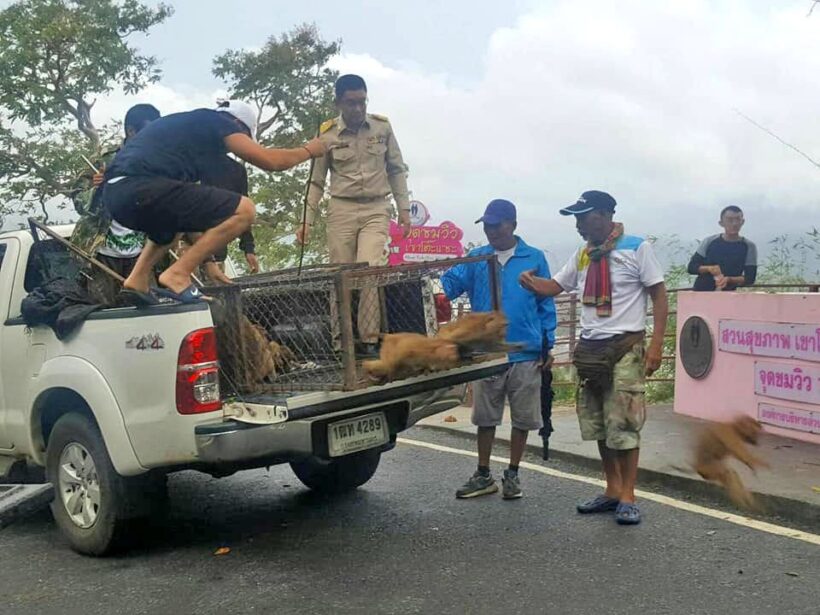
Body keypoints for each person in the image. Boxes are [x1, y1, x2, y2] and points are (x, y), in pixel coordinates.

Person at [520, 190, 668, 525]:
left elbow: (659, 295)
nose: (578, 224)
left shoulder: (637, 248)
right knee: (599, 422)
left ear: (604, 215)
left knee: (625, 423)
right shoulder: (584, 255)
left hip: (625, 347)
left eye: (583, 217)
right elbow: (555, 286)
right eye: (576, 218)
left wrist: (656, 344)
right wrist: (531, 283)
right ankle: (612, 489)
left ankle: (629, 495)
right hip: (591, 349)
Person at [102, 100, 331, 304]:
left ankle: (137, 279)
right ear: (237, 124)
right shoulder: (216, 121)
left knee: (173, 222)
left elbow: (193, 211)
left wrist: (209, 260)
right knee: (244, 210)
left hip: (116, 196)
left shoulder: (187, 138)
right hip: (139, 187)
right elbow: (271, 161)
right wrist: (309, 150)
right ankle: (178, 273)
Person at [441, 199, 557, 500]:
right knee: (485, 417)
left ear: (513, 225)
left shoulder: (534, 258)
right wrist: (442, 280)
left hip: (525, 349)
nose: (492, 230)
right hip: (487, 351)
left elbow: (546, 304)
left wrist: (548, 344)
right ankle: (483, 473)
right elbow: (452, 284)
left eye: (497, 224)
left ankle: (513, 473)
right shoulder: (478, 258)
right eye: (487, 225)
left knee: (523, 418)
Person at [300, 74, 412, 355]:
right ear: (338, 102)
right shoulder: (326, 134)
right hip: (341, 208)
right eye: (351, 103)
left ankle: (370, 340)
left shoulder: (382, 127)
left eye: (362, 102)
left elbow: (397, 169)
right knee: (341, 275)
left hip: (376, 206)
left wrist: (404, 210)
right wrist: (306, 221)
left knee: (370, 269)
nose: (358, 108)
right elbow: (315, 181)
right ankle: (342, 344)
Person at [71, 104, 160, 305]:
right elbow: (78, 201)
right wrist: (97, 189)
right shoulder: (104, 159)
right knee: (103, 315)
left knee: (149, 313)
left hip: (140, 255)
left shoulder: (158, 163)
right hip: (101, 255)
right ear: (131, 131)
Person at [687, 205, 757, 291]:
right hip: (701, 292)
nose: (734, 224)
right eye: (730, 220)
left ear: (742, 222)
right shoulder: (709, 241)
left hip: (728, 295)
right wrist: (709, 268)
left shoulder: (749, 246)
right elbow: (691, 267)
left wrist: (729, 279)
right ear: (721, 223)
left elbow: (750, 278)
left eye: (737, 219)